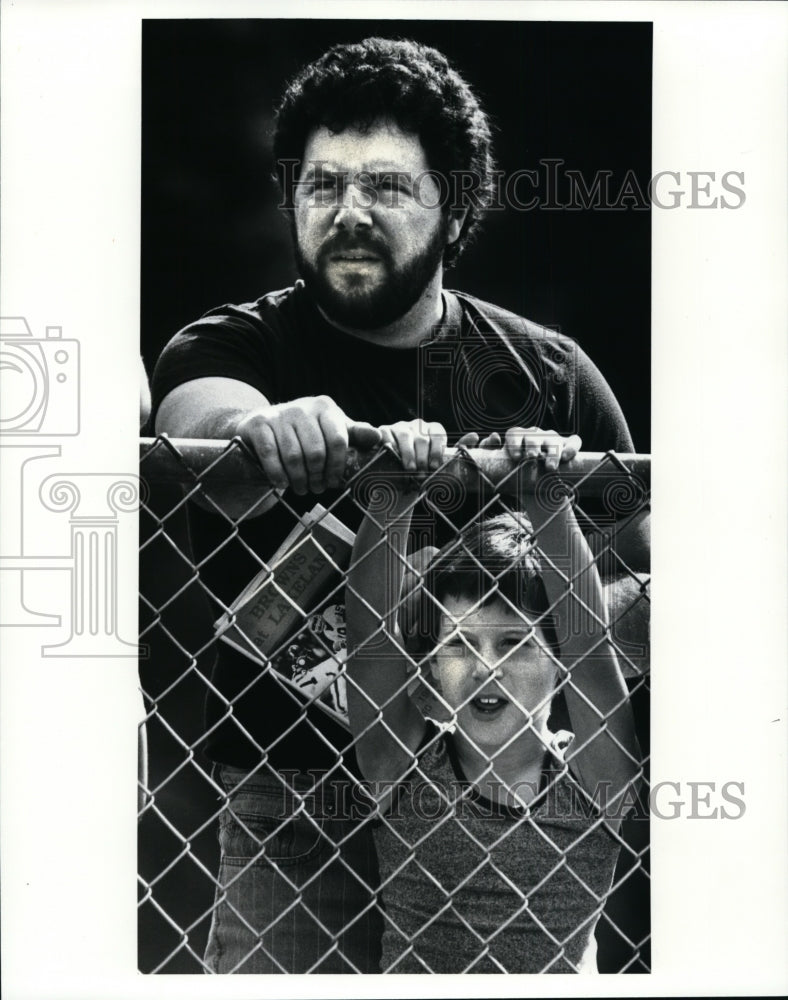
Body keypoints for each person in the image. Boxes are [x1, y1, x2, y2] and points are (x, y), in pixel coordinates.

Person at [150, 37, 642, 973]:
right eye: (323, 186)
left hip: (508, 805)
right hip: (297, 807)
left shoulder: (546, 374)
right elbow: (196, 431)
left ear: (453, 211)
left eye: (385, 187)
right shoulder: (237, 347)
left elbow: (648, 569)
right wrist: (264, 430)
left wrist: (554, 569)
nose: (349, 213)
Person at [345, 422, 642, 973]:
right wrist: (397, 488)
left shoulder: (596, 783)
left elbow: (588, 644)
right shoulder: (402, 771)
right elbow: (370, 644)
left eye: (514, 643)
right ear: (431, 665)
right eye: (460, 643)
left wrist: (545, 495)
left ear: (560, 663)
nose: (486, 667)